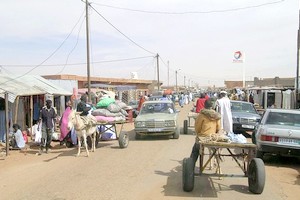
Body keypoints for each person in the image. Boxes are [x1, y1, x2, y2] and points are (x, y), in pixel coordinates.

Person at [190, 99, 221, 165]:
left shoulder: (201, 115)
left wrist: (198, 134)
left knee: (195, 150)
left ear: (204, 105)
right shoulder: (217, 116)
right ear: (213, 106)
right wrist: (215, 133)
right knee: (216, 150)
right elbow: (218, 127)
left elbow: (197, 127)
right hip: (213, 137)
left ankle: (191, 165)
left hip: (203, 136)